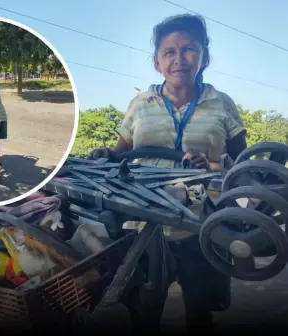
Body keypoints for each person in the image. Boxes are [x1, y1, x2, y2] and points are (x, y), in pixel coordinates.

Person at [88, 14, 248, 332]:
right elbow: (121, 153)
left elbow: (243, 166)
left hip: (201, 225)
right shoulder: (140, 103)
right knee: (143, 314)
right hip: (143, 225)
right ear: (158, 61)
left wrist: (213, 166)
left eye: (189, 49)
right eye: (169, 52)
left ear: (204, 56)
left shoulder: (222, 104)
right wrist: (107, 155)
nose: (179, 60)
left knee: (199, 314)